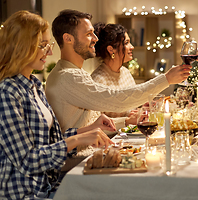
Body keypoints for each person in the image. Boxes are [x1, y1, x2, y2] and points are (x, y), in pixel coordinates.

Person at [0, 11, 115, 199]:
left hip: (49, 184)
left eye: (49, 45)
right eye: (43, 45)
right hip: (26, 193)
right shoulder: (7, 92)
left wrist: (87, 131)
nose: (51, 52)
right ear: (21, 46)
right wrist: (77, 140)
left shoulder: (35, 85)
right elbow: (28, 160)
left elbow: (51, 142)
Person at [46, 9, 190, 134]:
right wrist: (166, 79)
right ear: (68, 38)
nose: (95, 38)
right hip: (78, 161)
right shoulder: (68, 77)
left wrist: (126, 121)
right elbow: (117, 99)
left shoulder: (75, 73)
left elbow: (90, 125)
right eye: (89, 34)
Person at [91, 22, 137, 119]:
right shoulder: (98, 81)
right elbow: (96, 123)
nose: (132, 47)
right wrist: (127, 120)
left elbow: (131, 108)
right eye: (126, 43)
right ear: (111, 50)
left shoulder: (125, 72)